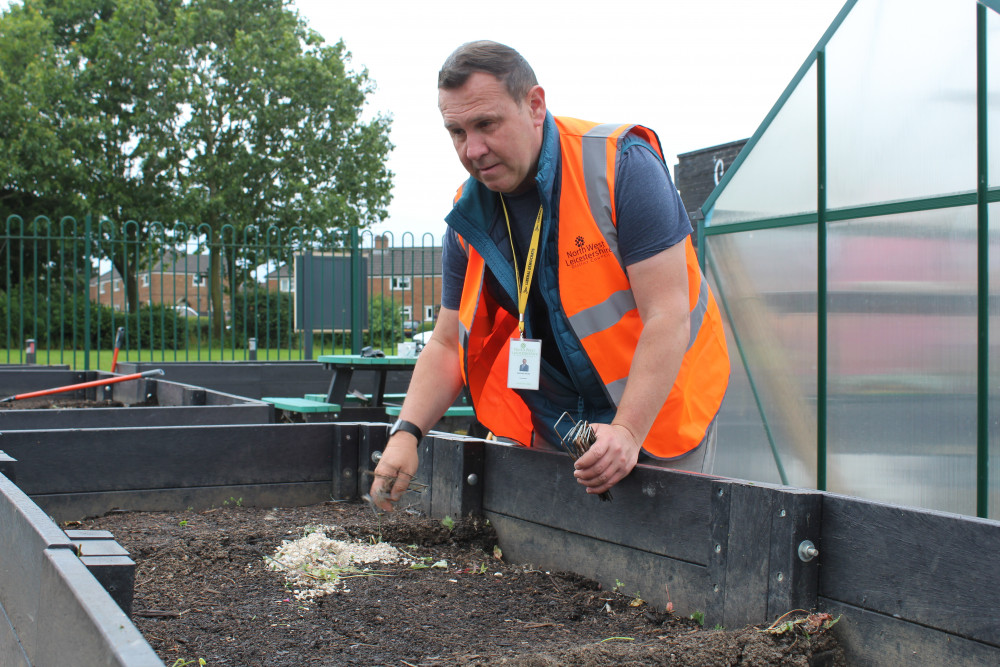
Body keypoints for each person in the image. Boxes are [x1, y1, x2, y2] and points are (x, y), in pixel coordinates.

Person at [369, 41, 729, 510]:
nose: (471, 149)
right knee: (555, 567)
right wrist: (406, 433)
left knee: (662, 563)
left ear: (535, 105)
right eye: (456, 131)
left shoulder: (621, 164)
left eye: (486, 124)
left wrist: (625, 430)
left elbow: (668, 315)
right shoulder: (468, 215)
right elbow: (446, 343)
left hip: (655, 409)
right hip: (555, 416)